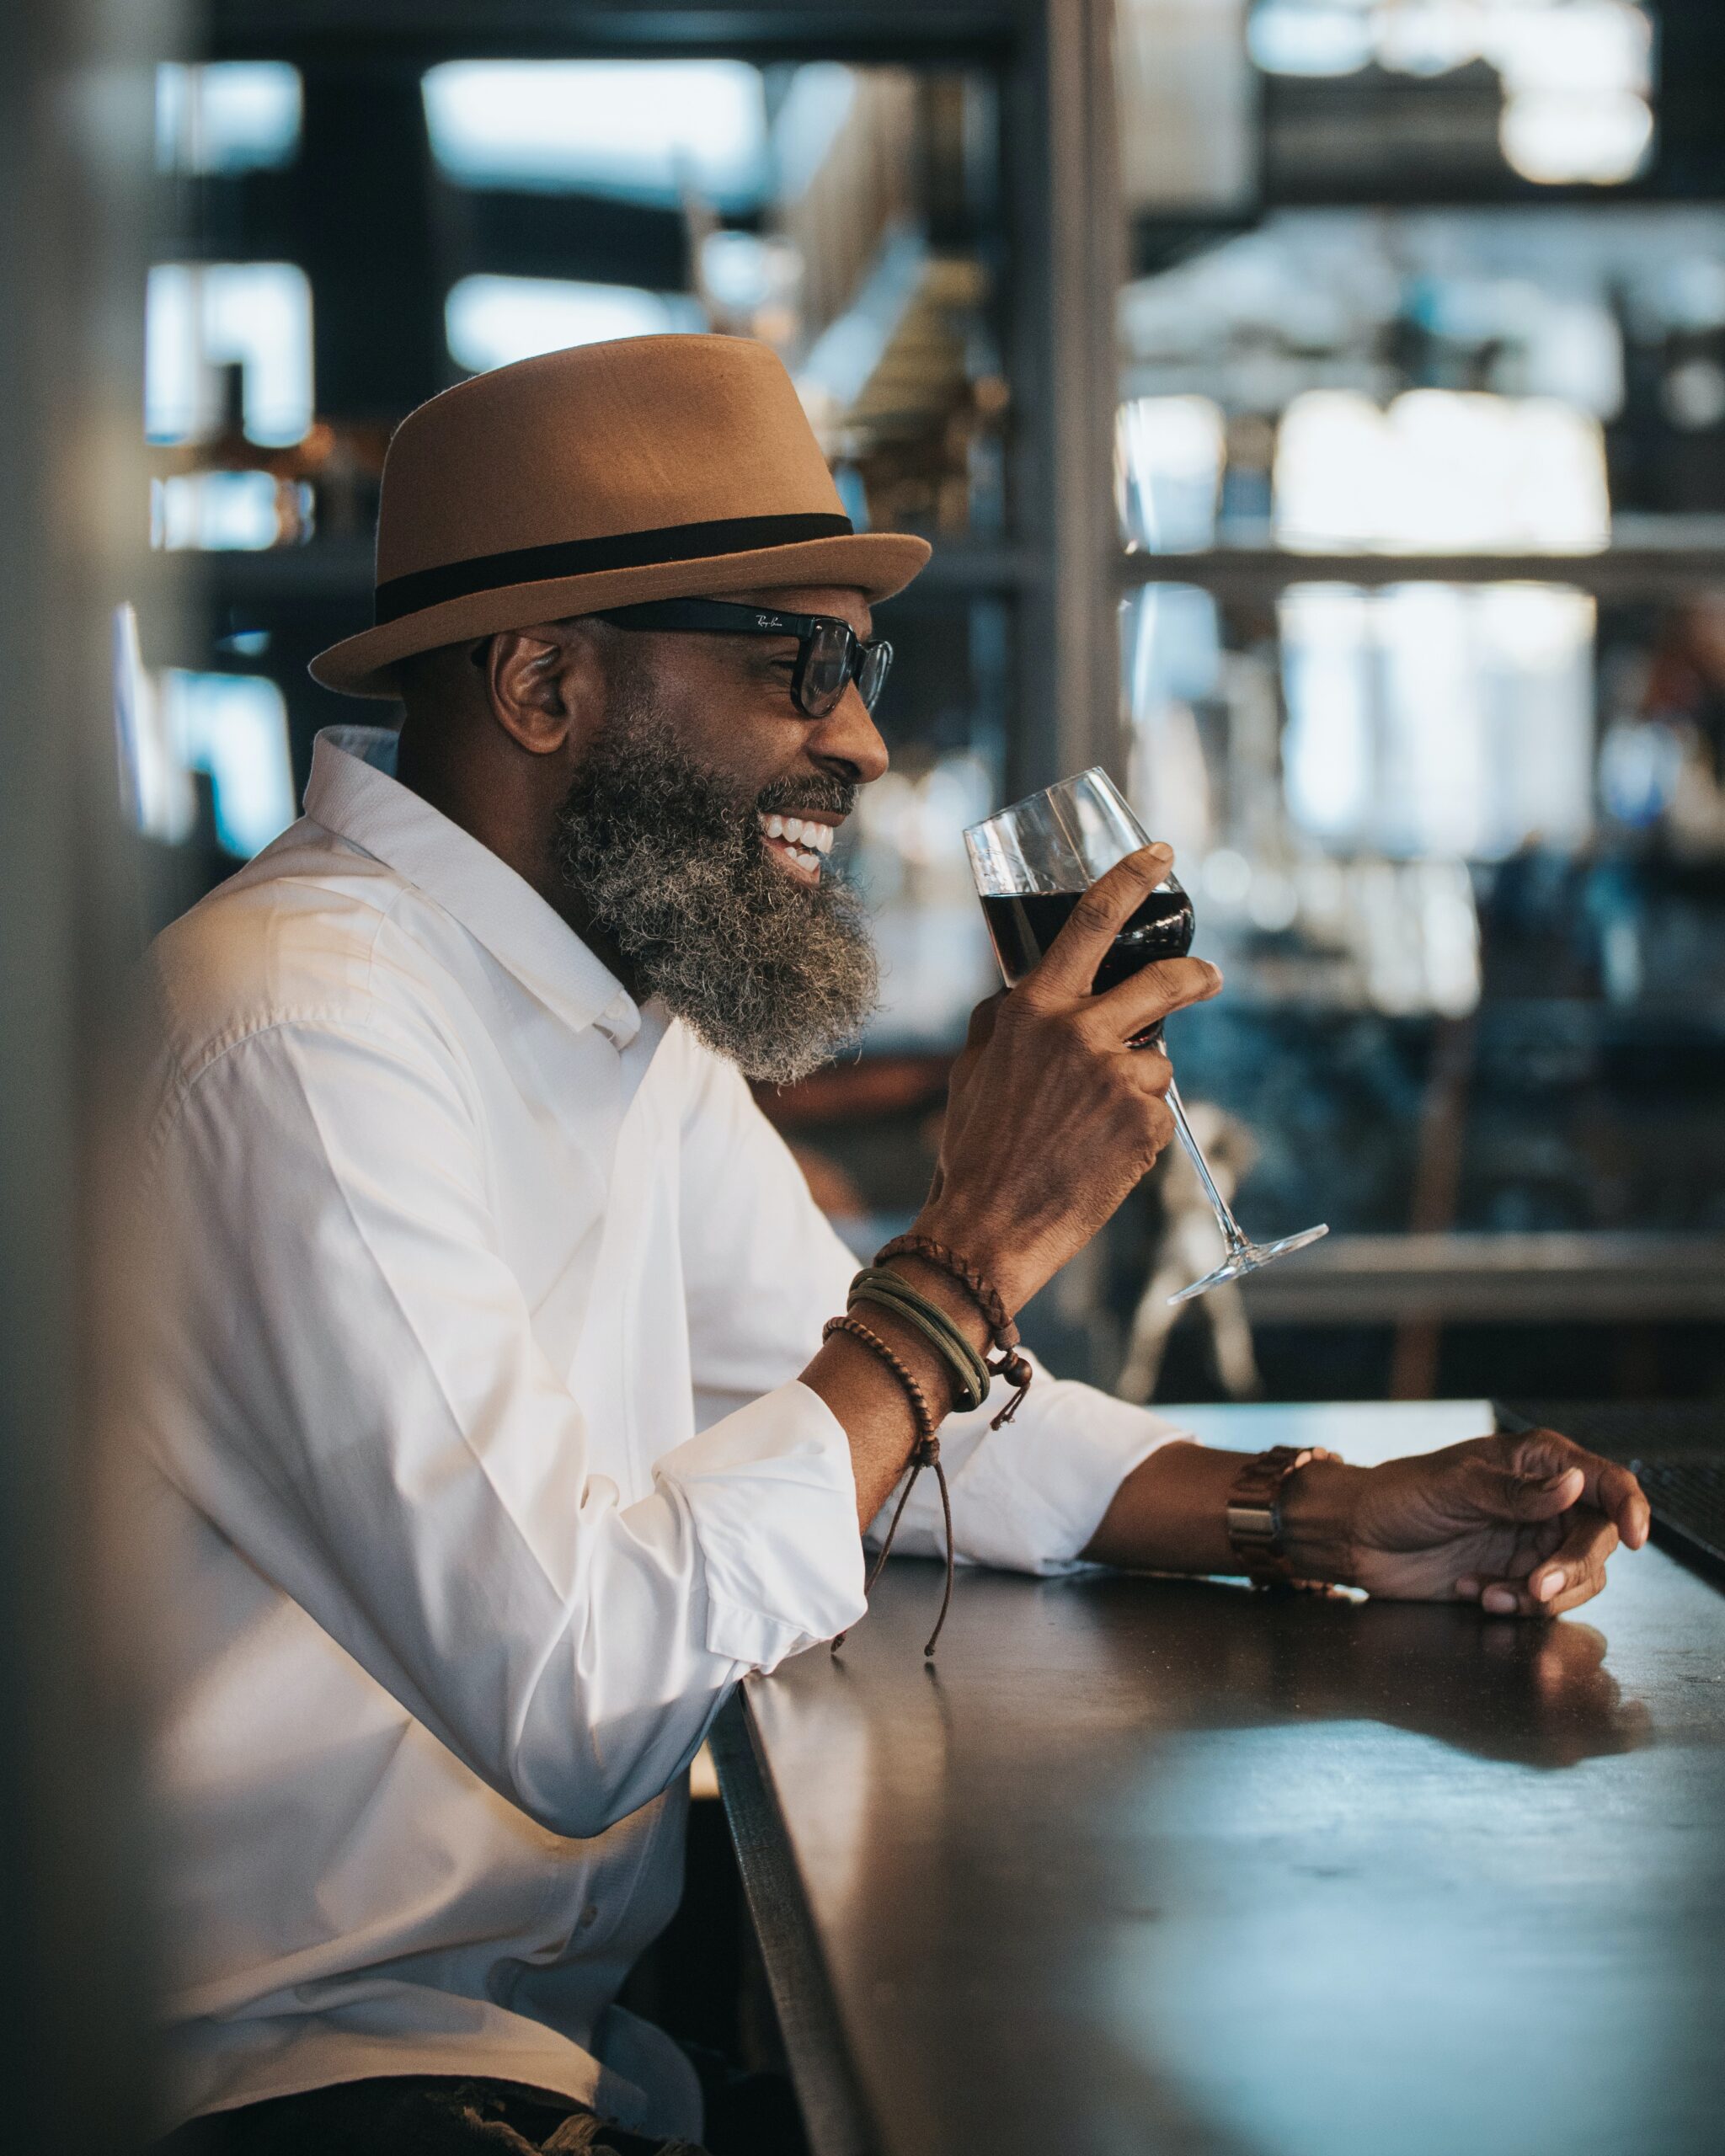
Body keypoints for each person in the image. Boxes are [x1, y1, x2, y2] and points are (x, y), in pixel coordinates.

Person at [131, 337, 1648, 2156]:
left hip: (542, 2022)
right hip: (280, 2076)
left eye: (865, 665)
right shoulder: (300, 1029)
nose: (857, 737)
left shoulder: (600, 1011)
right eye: (803, 656)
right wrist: (965, 1255)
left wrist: (1309, 1510)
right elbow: (581, 1689)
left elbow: (902, 1407)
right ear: (541, 682)